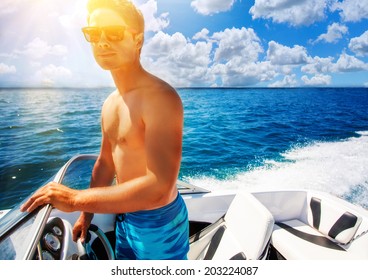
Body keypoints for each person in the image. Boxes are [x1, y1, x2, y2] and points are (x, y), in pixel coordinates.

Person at [21, 0, 189, 260]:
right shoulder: (110, 104)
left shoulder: (161, 98)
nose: (101, 42)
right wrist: (85, 216)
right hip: (124, 215)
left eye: (113, 32)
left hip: (159, 223)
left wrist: (76, 198)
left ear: (137, 40)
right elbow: (106, 164)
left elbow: (160, 187)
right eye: (94, 33)